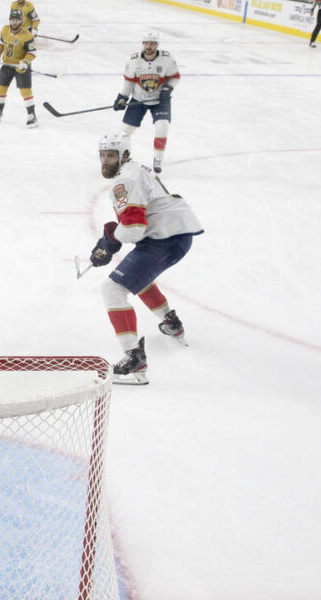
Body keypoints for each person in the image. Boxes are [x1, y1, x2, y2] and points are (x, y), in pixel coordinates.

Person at [88, 133, 203, 385]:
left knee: (113, 288)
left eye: (111, 155)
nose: (105, 161)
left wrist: (110, 240)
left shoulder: (125, 180)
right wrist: (113, 238)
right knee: (136, 277)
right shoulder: (134, 170)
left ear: (124, 155)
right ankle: (171, 323)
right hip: (175, 234)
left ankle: (134, 360)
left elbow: (133, 229)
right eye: (103, 155)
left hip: (165, 237)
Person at [113, 31, 180, 174]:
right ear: (143, 44)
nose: (149, 46)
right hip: (139, 100)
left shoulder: (166, 59)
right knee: (125, 132)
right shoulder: (134, 60)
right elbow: (129, 82)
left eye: (152, 43)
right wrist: (122, 98)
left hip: (160, 100)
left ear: (157, 45)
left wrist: (167, 89)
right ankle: (119, 159)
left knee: (162, 126)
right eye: (147, 43)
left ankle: (158, 159)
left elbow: (175, 77)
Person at [0, 10, 38, 128]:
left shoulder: (26, 35)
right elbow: (1, 44)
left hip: (21, 66)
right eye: (12, 20)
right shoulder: (5, 30)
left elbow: (32, 52)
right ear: (10, 20)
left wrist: (25, 62)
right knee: (1, 88)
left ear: (21, 21)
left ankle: (32, 116)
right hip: (7, 65)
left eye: (17, 20)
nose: (14, 22)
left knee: (25, 90)